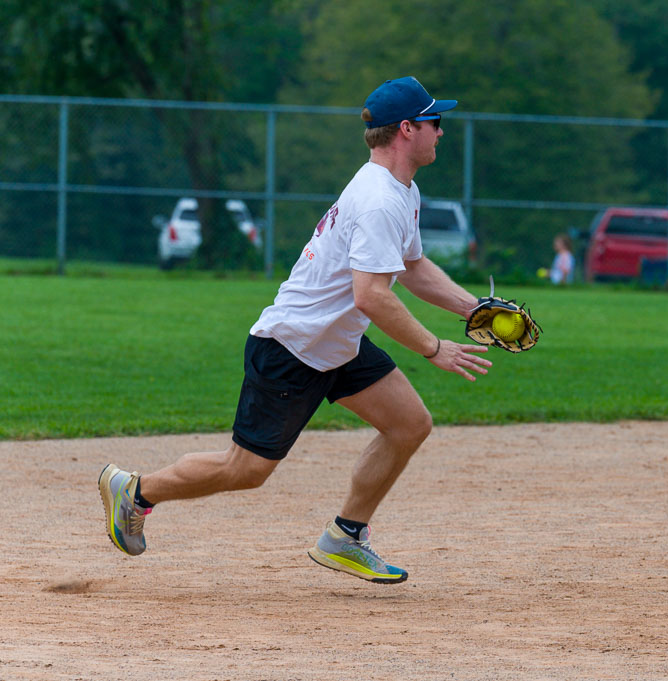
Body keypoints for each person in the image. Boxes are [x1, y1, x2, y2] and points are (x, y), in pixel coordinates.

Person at [98, 76, 493, 585]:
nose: (442, 131)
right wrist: (434, 348)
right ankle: (136, 490)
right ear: (406, 129)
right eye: (435, 121)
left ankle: (345, 537)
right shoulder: (378, 200)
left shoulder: (402, 190)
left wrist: (473, 308)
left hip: (337, 343)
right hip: (293, 346)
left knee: (409, 424)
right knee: (246, 470)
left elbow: (412, 267)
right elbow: (371, 295)